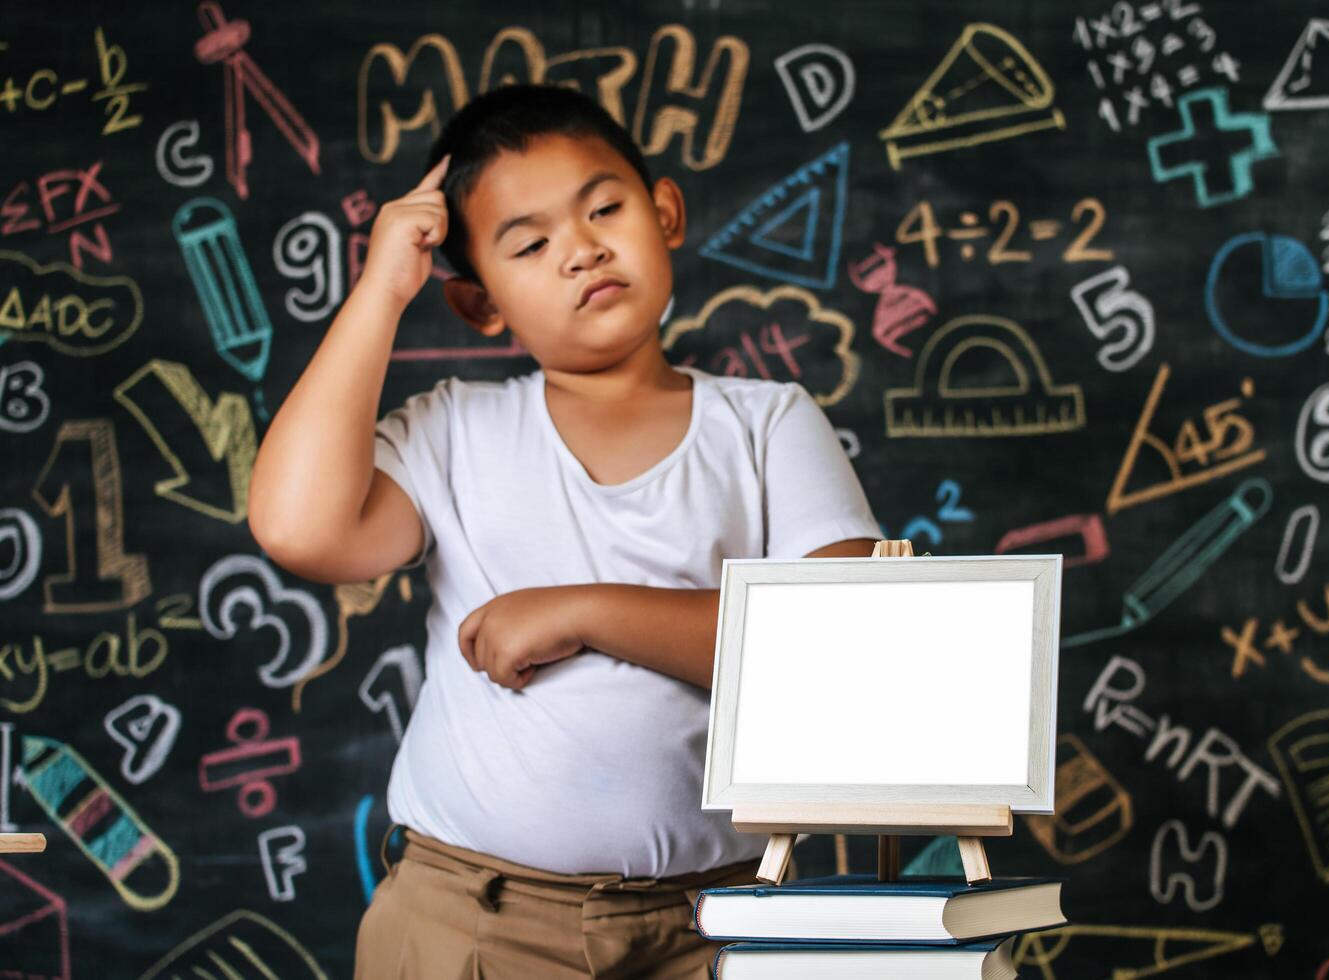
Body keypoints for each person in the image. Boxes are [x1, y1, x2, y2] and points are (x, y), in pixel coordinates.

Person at [247, 83, 883, 978]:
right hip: (469, 919)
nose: (580, 250)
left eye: (604, 209)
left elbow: (843, 648)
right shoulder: (453, 431)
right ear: (479, 304)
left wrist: (584, 611)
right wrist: (382, 291)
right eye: (531, 244)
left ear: (663, 211)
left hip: (718, 926)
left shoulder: (768, 422)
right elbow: (296, 528)